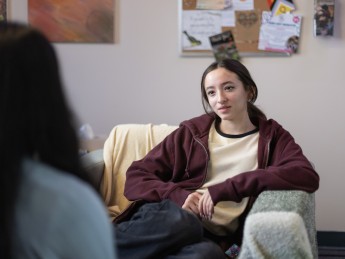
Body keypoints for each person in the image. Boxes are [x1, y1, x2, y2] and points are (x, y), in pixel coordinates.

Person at [113, 58, 320, 258]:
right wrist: (178, 195)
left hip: (208, 237)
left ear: (249, 91)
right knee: (185, 222)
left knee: (208, 255)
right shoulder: (192, 133)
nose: (220, 98)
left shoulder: (271, 137)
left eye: (229, 88)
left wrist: (228, 188)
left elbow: (306, 175)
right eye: (211, 92)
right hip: (171, 218)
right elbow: (136, 176)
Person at [0, 22, 117, 259]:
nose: (217, 99)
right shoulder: (66, 204)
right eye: (210, 92)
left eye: (217, 90)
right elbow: (141, 177)